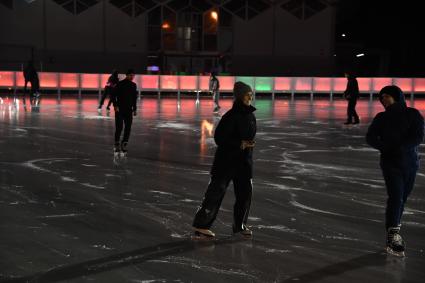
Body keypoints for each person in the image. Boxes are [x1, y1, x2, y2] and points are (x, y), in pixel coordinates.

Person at [193, 81, 256, 238]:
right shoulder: (231, 116)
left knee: (245, 194)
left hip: (243, 163)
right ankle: (201, 225)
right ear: (241, 96)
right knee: (215, 193)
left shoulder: (250, 115)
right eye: (248, 94)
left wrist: (247, 146)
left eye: (251, 94)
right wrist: (239, 143)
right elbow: (220, 138)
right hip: (226, 162)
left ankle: (239, 226)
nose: (251, 97)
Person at [366, 85, 424, 256]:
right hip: (391, 164)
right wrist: (385, 148)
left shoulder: (412, 114)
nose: (383, 100)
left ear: (396, 96)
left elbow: (418, 136)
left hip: (411, 164)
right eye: (381, 97)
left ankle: (395, 228)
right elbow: (370, 137)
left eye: (386, 96)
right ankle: (393, 236)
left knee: (402, 199)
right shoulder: (381, 117)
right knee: (396, 197)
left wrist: (401, 148)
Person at [111, 69, 138, 155]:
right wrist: (115, 106)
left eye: (133, 75)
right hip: (120, 109)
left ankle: (124, 144)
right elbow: (113, 95)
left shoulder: (134, 85)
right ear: (127, 75)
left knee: (128, 128)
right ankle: (116, 145)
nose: (132, 77)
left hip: (128, 110)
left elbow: (134, 98)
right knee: (119, 127)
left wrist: (135, 109)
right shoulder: (120, 84)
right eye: (131, 75)